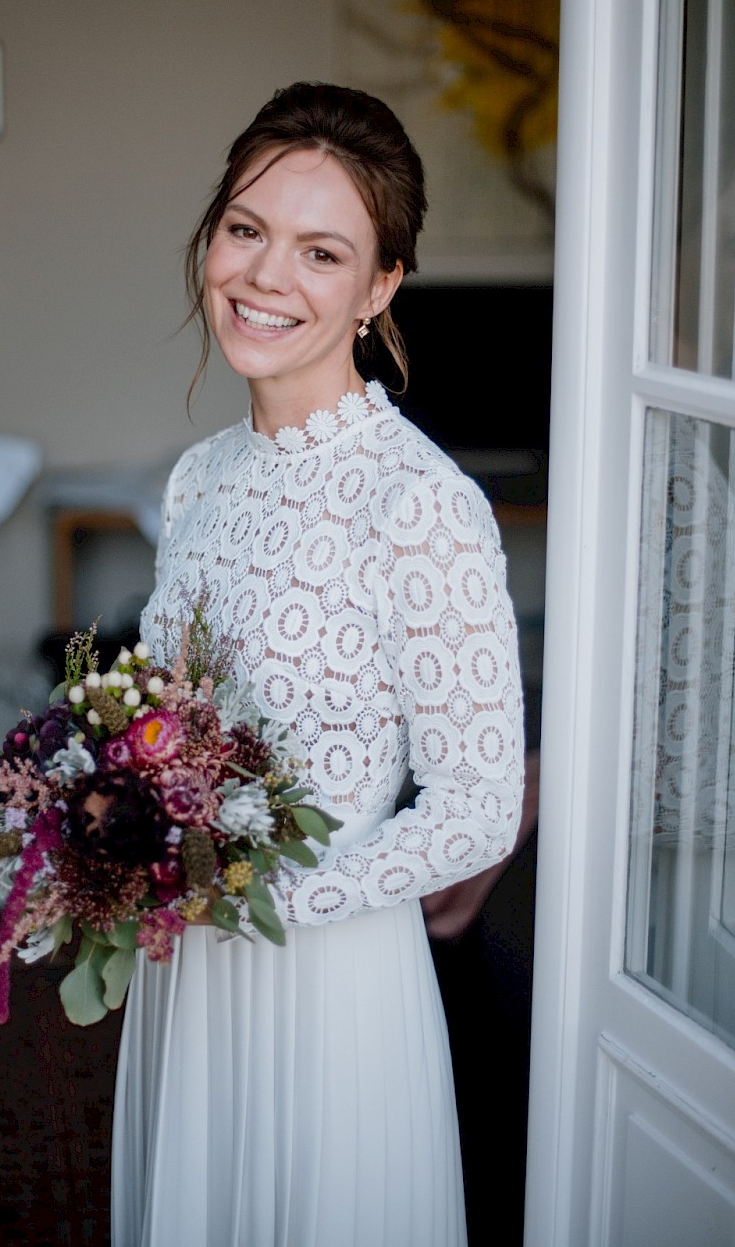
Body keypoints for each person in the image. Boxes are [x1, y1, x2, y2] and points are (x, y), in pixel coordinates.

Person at [111, 82, 525, 1247]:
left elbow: (476, 807)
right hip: (186, 978)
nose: (264, 275)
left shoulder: (420, 503)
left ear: (379, 285)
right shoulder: (196, 479)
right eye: (246, 229)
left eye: (320, 249)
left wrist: (258, 903)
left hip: (331, 982)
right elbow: (161, 731)